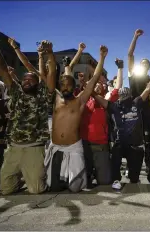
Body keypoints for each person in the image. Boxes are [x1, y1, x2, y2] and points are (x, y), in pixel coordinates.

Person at [0, 39, 55, 195]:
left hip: (34, 147)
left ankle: (33, 175)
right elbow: (2, 68)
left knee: (36, 190)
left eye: (31, 80)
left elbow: (52, 72)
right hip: (13, 148)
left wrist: (50, 53)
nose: (26, 82)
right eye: (24, 79)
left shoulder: (44, 94)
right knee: (6, 190)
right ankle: (21, 178)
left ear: (37, 83)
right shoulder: (15, 91)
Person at [44, 45, 108, 193]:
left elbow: (94, 79)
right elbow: (52, 71)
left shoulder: (79, 101)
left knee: (75, 188)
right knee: (53, 188)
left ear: (75, 88)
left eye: (69, 85)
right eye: (63, 85)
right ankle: (61, 177)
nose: (65, 88)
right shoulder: (55, 98)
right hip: (56, 147)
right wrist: (50, 53)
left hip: (74, 147)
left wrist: (102, 58)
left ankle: (72, 178)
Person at [92, 59, 150, 190]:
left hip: (135, 146)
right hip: (120, 144)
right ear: (118, 97)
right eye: (121, 95)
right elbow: (99, 98)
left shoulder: (136, 102)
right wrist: (90, 89)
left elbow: (148, 89)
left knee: (134, 178)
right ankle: (116, 179)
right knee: (115, 156)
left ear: (130, 95)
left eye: (127, 95)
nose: (124, 97)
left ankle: (132, 174)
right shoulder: (114, 106)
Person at [79, 58, 122, 187]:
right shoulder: (83, 98)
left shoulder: (106, 99)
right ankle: (89, 173)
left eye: (100, 83)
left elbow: (118, 87)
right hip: (84, 143)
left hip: (100, 145)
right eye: (95, 83)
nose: (98, 84)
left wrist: (120, 68)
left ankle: (97, 172)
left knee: (104, 181)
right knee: (83, 182)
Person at [127, 28, 150, 173]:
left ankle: (148, 164)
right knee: (132, 138)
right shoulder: (133, 74)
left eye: (146, 64)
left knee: (147, 139)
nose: (144, 64)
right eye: (142, 63)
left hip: (146, 110)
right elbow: (130, 55)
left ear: (148, 67)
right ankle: (132, 165)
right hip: (132, 109)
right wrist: (135, 37)